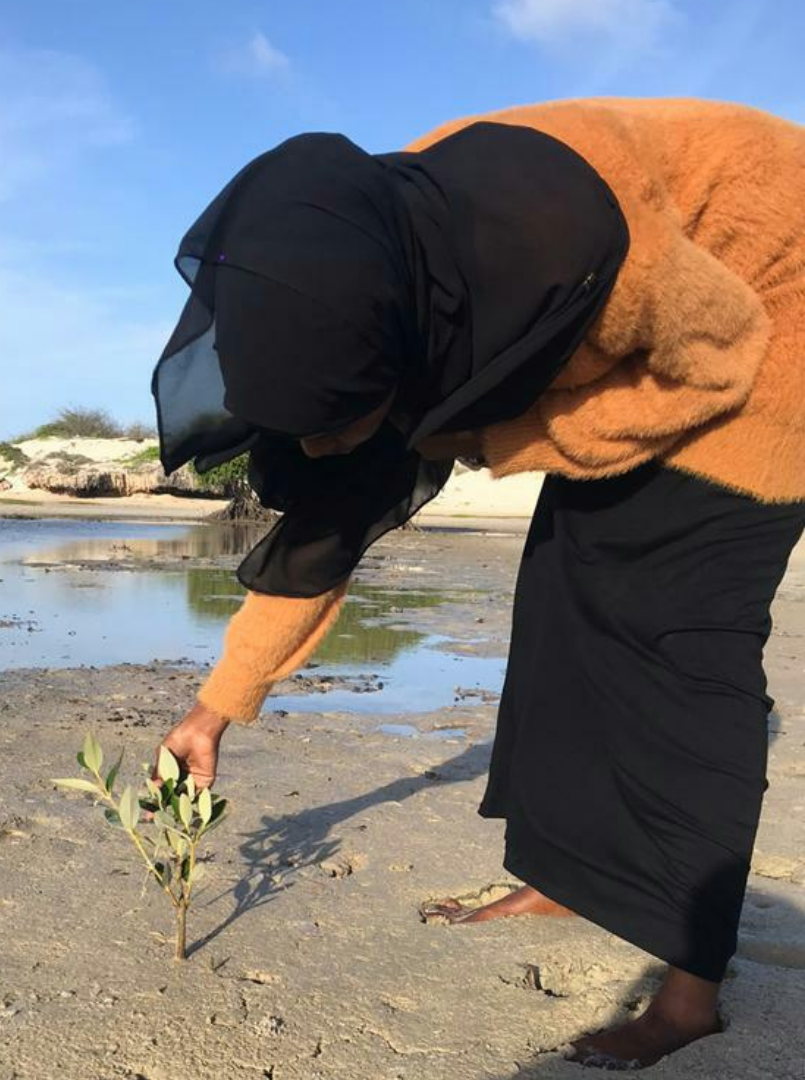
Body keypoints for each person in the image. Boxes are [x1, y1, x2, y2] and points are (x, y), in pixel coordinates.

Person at [149, 98, 805, 1070]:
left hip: (770, 304)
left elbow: (714, 356)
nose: (332, 445)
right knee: (558, 603)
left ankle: (689, 992)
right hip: (647, 321)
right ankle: (565, 876)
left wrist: (508, 440)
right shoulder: (366, 281)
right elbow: (330, 521)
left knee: (676, 627)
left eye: (349, 422)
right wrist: (212, 712)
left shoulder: (557, 244)